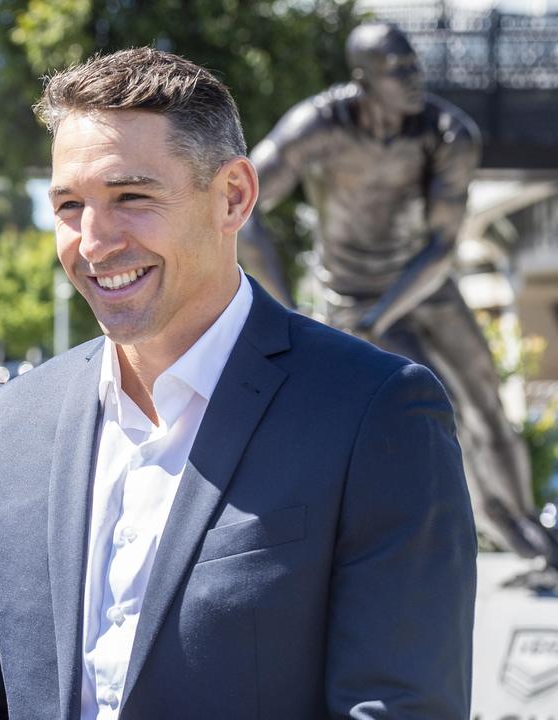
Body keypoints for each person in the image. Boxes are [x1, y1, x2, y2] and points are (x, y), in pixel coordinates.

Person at [0, 47, 476, 719]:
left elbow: (397, 707)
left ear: (234, 196)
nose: (93, 242)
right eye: (70, 205)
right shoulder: (6, 429)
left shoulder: (375, 413)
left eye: (131, 197)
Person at [239, 22, 558, 570]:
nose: (415, 79)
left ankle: (527, 526)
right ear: (363, 79)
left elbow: (441, 248)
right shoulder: (317, 125)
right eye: (398, 70)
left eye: (415, 66)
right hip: (347, 295)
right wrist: (289, 311)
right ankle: (484, 525)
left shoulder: (447, 132)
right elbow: (242, 212)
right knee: (428, 413)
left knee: (485, 399)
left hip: (423, 287)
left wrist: (383, 314)